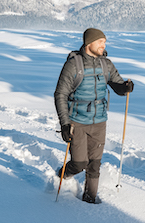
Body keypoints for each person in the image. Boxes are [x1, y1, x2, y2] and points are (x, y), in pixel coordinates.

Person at [54, 28, 134, 204]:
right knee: (80, 163)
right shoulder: (73, 65)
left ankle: (90, 199)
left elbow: (117, 84)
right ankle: (61, 175)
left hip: (99, 121)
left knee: (94, 164)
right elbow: (60, 94)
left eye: (104, 42)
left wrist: (125, 88)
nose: (104, 45)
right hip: (77, 122)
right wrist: (65, 124)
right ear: (89, 43)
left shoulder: (106, 64)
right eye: (100, 42)